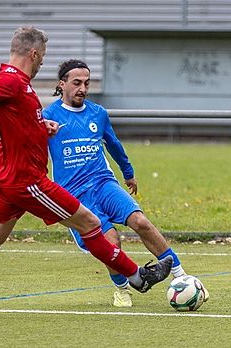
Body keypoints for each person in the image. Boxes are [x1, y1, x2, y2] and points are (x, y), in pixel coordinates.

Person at [0, 27, 171, 314]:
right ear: (34, 53)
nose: (42, 62)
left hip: (6, 179)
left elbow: (16, 123)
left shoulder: (19, 84)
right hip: (27, 181)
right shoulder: (11, 80)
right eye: (42, 56)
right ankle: (137, 277)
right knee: (90, 223)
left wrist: (43, 127)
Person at [43, 59, 198, 308]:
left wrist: (128, 172)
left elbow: (113, 144)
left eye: (86, 83)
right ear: (62, 84)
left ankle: (182, 277)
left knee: (141, 222)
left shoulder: (98, 113)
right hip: (74, 194)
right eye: (76, 83)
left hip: (104, 183)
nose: (82, 88)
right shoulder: (47, 117)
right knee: (111, 241)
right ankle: (121, 289)